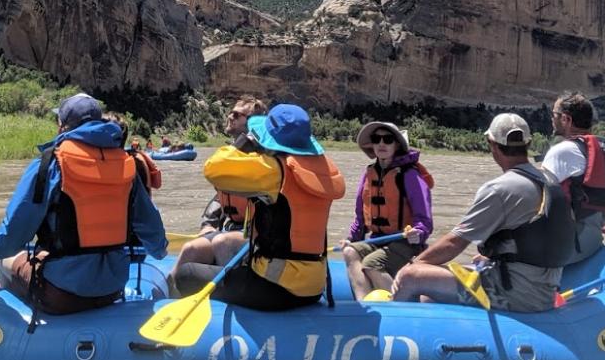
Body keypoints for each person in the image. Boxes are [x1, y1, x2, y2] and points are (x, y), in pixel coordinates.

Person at [0, 93, 167, 317]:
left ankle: (8, 315)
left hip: (61, 296)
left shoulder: (50, 164)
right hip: (112, 290)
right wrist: (158, 251)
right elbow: (157, 244)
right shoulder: (126, 167)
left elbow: (8, 242)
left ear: (62, 126)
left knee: (6, 258)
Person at [391, 113, 574, 312]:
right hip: (544, 292)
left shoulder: (500, 188)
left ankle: (389, 337)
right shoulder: (549, 181)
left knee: (410, 278)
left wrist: (413, 265)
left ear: (492, 144)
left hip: (514, 294)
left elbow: (454, 244)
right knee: (430, 294)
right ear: (527, 144)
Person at [171, 103, 346, 311]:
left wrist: (247, 141)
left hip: (275, 287)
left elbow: (213, 168)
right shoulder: (323, 170)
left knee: (187, 274)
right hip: (314, 287)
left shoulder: (273, 171)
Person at [168, 97, 267, 284]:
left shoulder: (263, 158)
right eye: (231, 112)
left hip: (254, 233)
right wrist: (209, 223)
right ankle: (168, 297)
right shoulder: (230, 153)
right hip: (229, 227)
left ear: (252, 122)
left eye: (237, 115)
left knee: (223, 243)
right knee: (190, 249)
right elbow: (220, 195)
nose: (230, 116)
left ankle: (227, 293)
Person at [541, 91, 605, 263]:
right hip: (591, 249)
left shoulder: (561, 152)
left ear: (566, 120)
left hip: (561, 252)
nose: (552, 119)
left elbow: (535, 201)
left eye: (554, 114)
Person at [340, 121, 434, 300]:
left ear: (397, 144)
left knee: (372, 264)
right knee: (350, 252)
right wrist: (351, 239)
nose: (381, 144)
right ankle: (364, 305)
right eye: (377, 139)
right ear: (372, 144)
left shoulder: (410, 175)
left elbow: (425, 220)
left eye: (388, 139)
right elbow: (360, 218)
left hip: (405, 243)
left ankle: (400, 303)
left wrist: (419, 232)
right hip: (378, 240)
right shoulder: (368, 174)